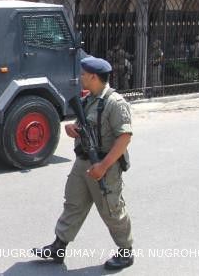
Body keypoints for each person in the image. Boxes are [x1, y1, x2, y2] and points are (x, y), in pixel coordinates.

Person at [31, 57, 134, 270]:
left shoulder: (115, 103)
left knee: (111, 208)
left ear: (94, 77)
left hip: (104, 165)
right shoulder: (89, 100)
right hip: (83, 162)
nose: (81, 77)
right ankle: (58, 247)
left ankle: (126, 252)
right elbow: (85, 126)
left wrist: (103, 166)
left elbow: (124, 138)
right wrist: (73, 129)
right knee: (73, 203)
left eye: (84, 74)